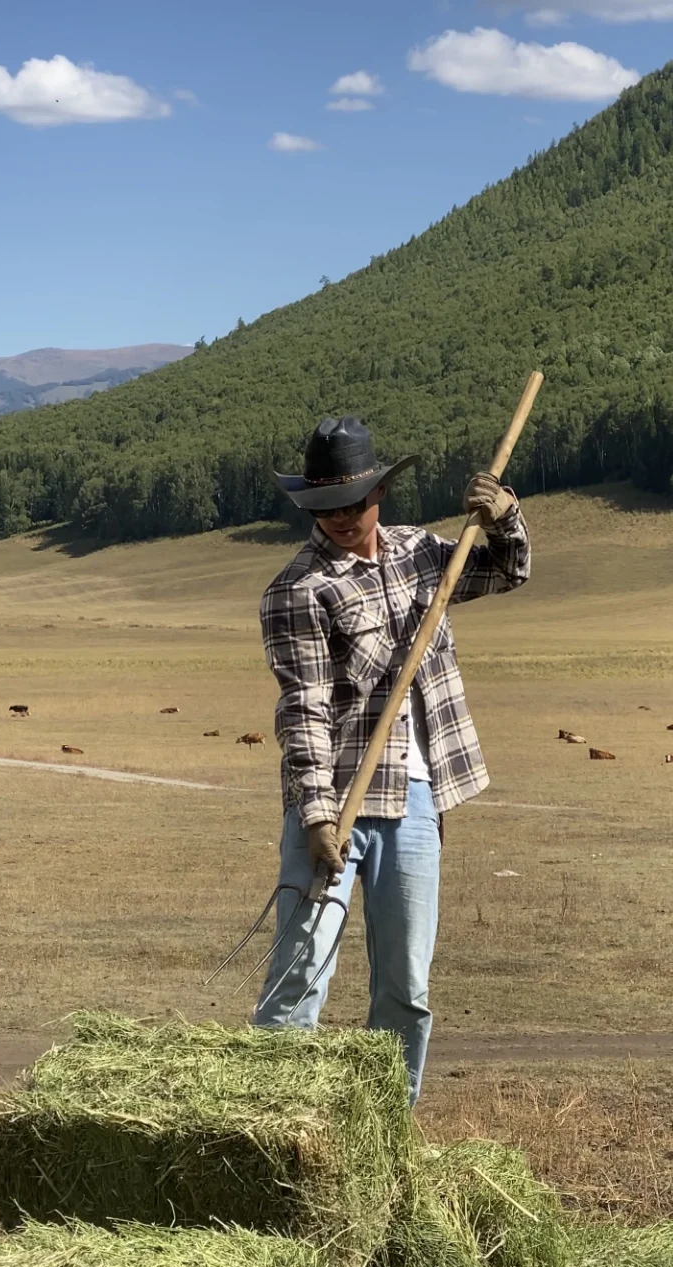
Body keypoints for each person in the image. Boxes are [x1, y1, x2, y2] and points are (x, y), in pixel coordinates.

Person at [255, 414, 531, 1104]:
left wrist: (503, 518)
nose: (343, 518)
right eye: (327, 507)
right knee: (300, 976)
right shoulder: (297, 590)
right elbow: (304, 710)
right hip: (338, 804)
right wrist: (317, 816)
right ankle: (270, 1128)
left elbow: (506, 572)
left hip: (413, 799)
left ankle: (386, 1134)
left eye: (355, 502)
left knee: (406, 988)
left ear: (379, 493)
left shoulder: (422, 553)